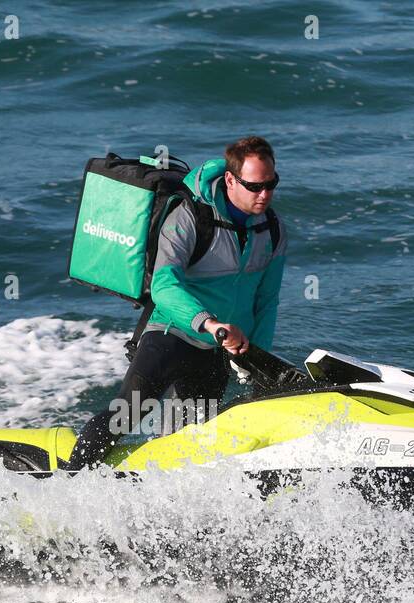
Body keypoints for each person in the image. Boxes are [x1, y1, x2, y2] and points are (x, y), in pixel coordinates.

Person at [66, 135, 288, 469]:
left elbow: (266, 301)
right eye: (255, 186)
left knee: (191, 436)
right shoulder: (190, 216)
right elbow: (164, 285)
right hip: (171, 334)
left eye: (271, 184)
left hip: (216, 351)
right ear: (230, 179)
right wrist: (210, 324)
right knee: (124, 415)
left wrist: (254, 357)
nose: (265, 194)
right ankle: (69, 478)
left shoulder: (272, 230)